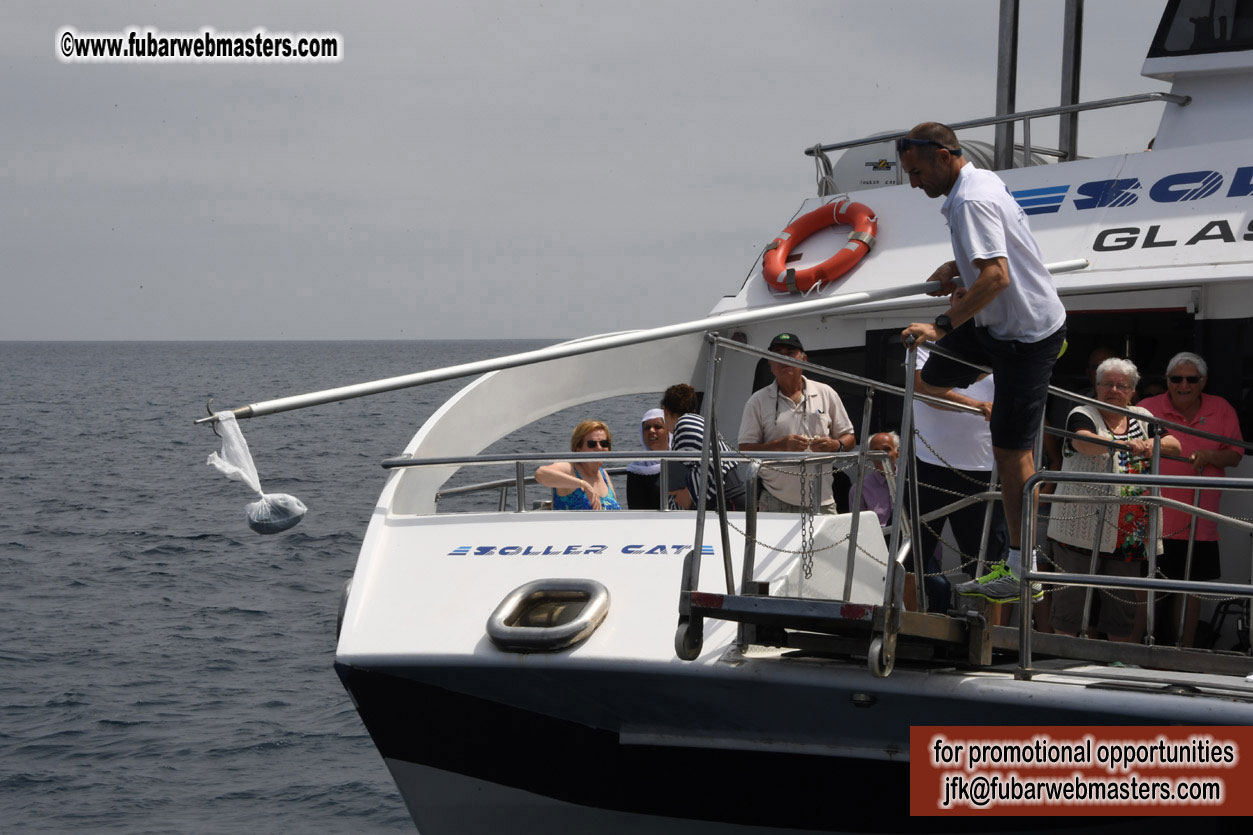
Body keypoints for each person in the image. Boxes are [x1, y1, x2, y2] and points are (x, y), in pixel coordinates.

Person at [898, 121, 1068, 604]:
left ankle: (1021, 567)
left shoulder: (971, 200)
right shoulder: (980, 181)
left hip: (1024, 337)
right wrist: (958, 266)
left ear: (943, 155)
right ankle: (993, 375)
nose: (913, 183)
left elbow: (996, 277)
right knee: (932, 375)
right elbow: (996, 253)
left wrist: (944, 325)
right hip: (995, 329)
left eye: (916, 172)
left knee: (1011, 451)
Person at [1046, 358, 1182, 641]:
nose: (1113, 390)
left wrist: (1149, 444)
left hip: (1129, 530)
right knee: (1071, 598)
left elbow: (1174, 445)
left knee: (1120, 603)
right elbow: (1082, 441)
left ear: (1133, 391)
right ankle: (1062, 659)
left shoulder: (1143, 415)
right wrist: (1120, 444)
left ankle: (1117, 660)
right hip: (1079, 528)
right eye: (1107, 384)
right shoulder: (1083, 412)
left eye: (1122, 385)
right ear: (1096, 387)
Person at [1139, 352, 1245, 646]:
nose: (1183, 385)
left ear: (1203, 382)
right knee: (1143, 587)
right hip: (1151, 519)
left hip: (1200, 521)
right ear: (1167, 382)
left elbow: (1235, 455)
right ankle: (1137, 652)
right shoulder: (1146, 408)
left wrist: (1210, 456)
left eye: (1191, 379)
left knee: (1189, 591)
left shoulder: (1221, 409)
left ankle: (1181, 654)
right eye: (1176, 379)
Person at [910, 343, 1009, 613]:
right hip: (927, 464)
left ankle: (988, 641)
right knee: (912, 556)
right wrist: (976, 406)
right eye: (957, 296)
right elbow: (923, 387)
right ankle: (906, 626)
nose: (961, 299)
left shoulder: (1002, 344)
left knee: (991, 563)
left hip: (987, 468)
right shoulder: (927, 344)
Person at [737, 333, 856, 513]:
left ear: (804, 359)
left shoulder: (826, 393)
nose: (784, 358)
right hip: (774, 501)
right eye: (777, 353)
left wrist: (835, 445)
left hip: (822, 499)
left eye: (790, 352)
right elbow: (744, 449)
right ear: (770, 362)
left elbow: (850, 438)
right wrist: (781, 445)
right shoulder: (757, 401)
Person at [662, 383, 746, 511]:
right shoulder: (699, 422)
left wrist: (689, 494)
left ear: (665, 411)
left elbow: (710, 464)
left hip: (725, 499)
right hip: (731, 494)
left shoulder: (683, 426)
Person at [535, 420, 622, 511]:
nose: (599, 448)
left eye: (604, 443)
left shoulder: (603, 474)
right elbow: (541, 474)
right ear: (578, 448)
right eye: (592, 444)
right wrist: (582, 484)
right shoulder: (570, 469)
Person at [850, 432, 899, 526]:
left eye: (886, 449)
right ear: (870, 456)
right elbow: (859, 526)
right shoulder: (859, 489)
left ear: (898, 452)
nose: (881, 455)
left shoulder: (911, 482)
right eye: (876, 451)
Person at [626, 409, 669, 509]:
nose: (651, 431)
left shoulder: (681, 461)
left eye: (657, 427)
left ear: (668, 432)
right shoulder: (636, 469)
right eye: (647, 428)